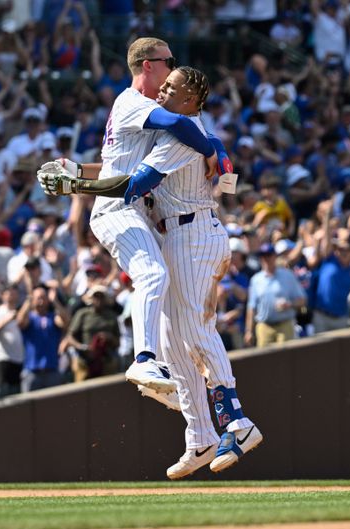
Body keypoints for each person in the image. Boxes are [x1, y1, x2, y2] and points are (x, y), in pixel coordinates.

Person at [39, 67, 265, 479]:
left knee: (196, 331)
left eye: (172, 86)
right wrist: (78, 170)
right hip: (177, 235)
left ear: (191, 99)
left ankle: (238, 423)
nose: (163, 89)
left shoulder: (183, 131)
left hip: (194, 232)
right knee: (174, 343)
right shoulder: (175, 131)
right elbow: (120, 169)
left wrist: (76, 187)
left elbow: (132, 186)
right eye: (164, 83)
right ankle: (200, 437)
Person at [37, 37, 220, 396]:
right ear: (147, 65)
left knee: (167, 298)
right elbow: (184, 128)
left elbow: (116, 165)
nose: (173, 66)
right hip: (116, 208)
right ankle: (144, 359)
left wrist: (77, 170)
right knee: (152, 274)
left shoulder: (148, 106)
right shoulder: (132, 101)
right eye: (168, 61)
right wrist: (212, 148)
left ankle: (166, 380)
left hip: (131, 206)